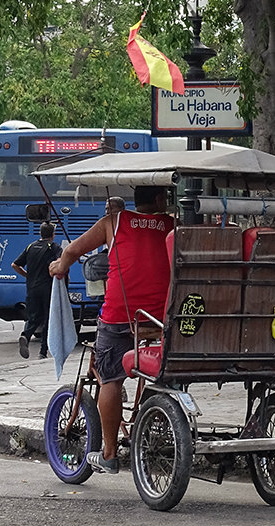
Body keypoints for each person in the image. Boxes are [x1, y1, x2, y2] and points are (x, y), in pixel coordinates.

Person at [49, 186, 176, 475]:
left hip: (121, 317)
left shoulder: (114, 222)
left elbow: (72, 250)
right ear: (158, 199)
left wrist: (59, 266)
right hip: (162, 318)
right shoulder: (172, 224)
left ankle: (108, 453)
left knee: (110, 380)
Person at [11, 222, 61, 359]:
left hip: (32, 288)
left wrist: (27, 275)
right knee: (47, 319)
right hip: (48, 288)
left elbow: (14, 265)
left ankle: (25, 336)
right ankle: (42, 352)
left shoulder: (30, 247)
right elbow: (60, 264)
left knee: (33, 317)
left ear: (40, 233)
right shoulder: (54, 247)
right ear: (53, 234)